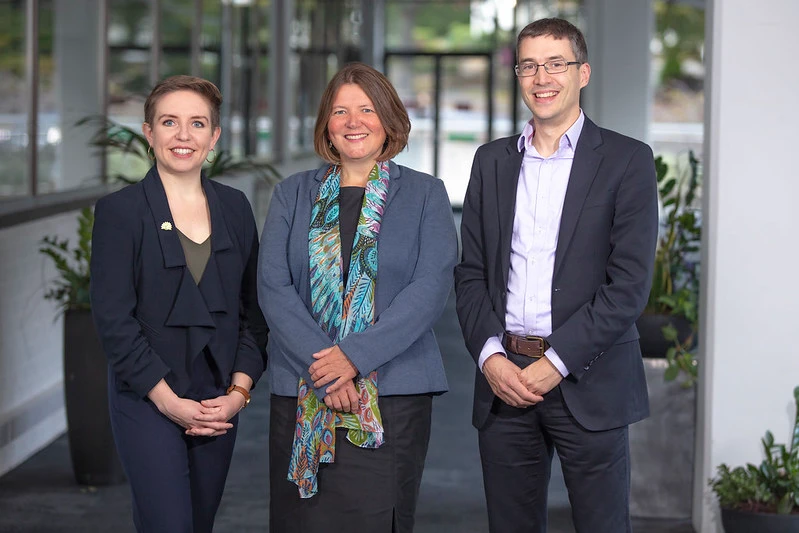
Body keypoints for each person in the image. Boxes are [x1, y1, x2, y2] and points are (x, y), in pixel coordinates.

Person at [454, 18, 659, 533]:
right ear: (518, 76)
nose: (541, 76)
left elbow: (628, 286)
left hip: (589, 380)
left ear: (582, 73)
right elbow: (471, 274)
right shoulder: (491, 162)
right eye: (529, 65)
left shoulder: (627, 161)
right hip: (505, 383)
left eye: (555, 63)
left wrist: (557, 362)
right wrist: (491, 358)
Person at [258, 62, 457, 533]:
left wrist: (352, 356)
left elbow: (429, 288)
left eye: (366, 109)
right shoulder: (291, 195)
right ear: (326, 123)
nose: (353, 122)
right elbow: (273, 287)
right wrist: (328, 368)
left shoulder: (427, 195)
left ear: (388, 119)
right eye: (340, 110)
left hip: (393, 391)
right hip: (304, 388)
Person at [90, 75, 268, 533]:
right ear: (149, 134)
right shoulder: (119, 212)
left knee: (200, 523)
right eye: (169, 122)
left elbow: (255, 314)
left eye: (197, 123)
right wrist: (168, 402)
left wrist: (237, 395)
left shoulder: (236, 208)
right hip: (148, 396)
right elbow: (114, 321)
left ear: (214, 137)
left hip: (218, 402)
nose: (183, 135)